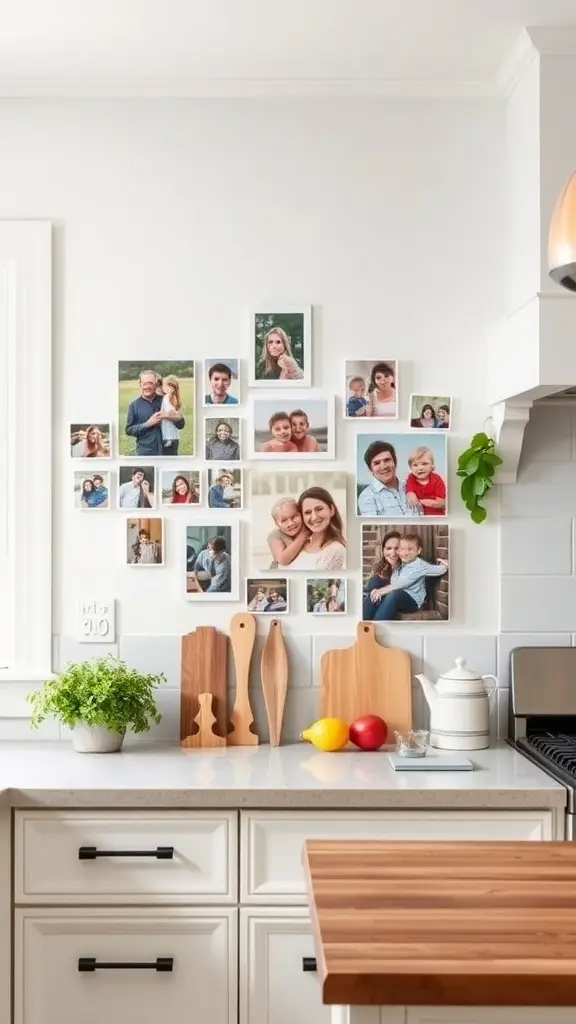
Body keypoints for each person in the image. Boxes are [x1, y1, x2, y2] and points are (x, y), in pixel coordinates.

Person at [363, 532, 448, 621]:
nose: (405, 553)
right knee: (373, 594)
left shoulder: (419, 564)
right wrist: (377, 592)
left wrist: (444, 566)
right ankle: (364, 623)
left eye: (409, 549)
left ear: (418, 550)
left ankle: (377, 625)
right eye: (402, 549)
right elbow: (394, 582)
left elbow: (401, 584)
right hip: (400, 597)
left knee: (392, 595)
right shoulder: (403, 565)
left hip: (412, 601)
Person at [125, 369, 185, 456]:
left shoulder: (166, 400)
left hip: (169, 453)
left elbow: (181, 425)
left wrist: (168, 415)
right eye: (144, 383)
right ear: (140, 384)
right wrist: (147, 424)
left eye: (150, 383)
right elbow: (129, 430)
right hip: (146, 453)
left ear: (156, 384)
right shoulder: (133, 405)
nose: (147, 387)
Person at [357, 440, 423, 517]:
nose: (384, 466)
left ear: (395, 462)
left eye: (387, 460)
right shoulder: (367, 497)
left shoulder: (413, 486)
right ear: (370, 470)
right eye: (377, 463)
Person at [289, 487, 346, 570]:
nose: (314, 517)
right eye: (307, 512)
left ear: (332, 510)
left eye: (319, 509)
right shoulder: (300, 544)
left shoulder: (335, 550)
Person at [362, 530, 401, 620]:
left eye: (397, 548)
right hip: (373, 604)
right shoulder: (379, 566)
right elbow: (369, 589)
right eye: (388, 548)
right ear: (383, 550)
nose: (393, 553)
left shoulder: (407, 567)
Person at [267, 498, 308, 569]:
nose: (291, 523)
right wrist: (303, 535)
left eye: (294, 516)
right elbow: (283, 560)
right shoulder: (275, 535)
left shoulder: (310, 528)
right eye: (284, 520)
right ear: (276, 522)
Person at [405, 445, 446, 515]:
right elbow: (409, 492)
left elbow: (440, 503)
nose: (420, 468)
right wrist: (411, 494)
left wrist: (419, 502)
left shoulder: (437, 479)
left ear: (432, 466)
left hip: (435, 515)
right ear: (410, 468)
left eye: (424, 464)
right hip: (418, 516)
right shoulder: (411, 478)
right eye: (415, 465)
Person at [160, 375, 184, 455]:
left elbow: (166, 413)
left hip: (166, 437)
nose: (162, 387)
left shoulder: (166, 399)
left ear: (170, 387)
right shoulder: (176, 399)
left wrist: (165, 415)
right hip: (174, 437)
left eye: (163, 385)